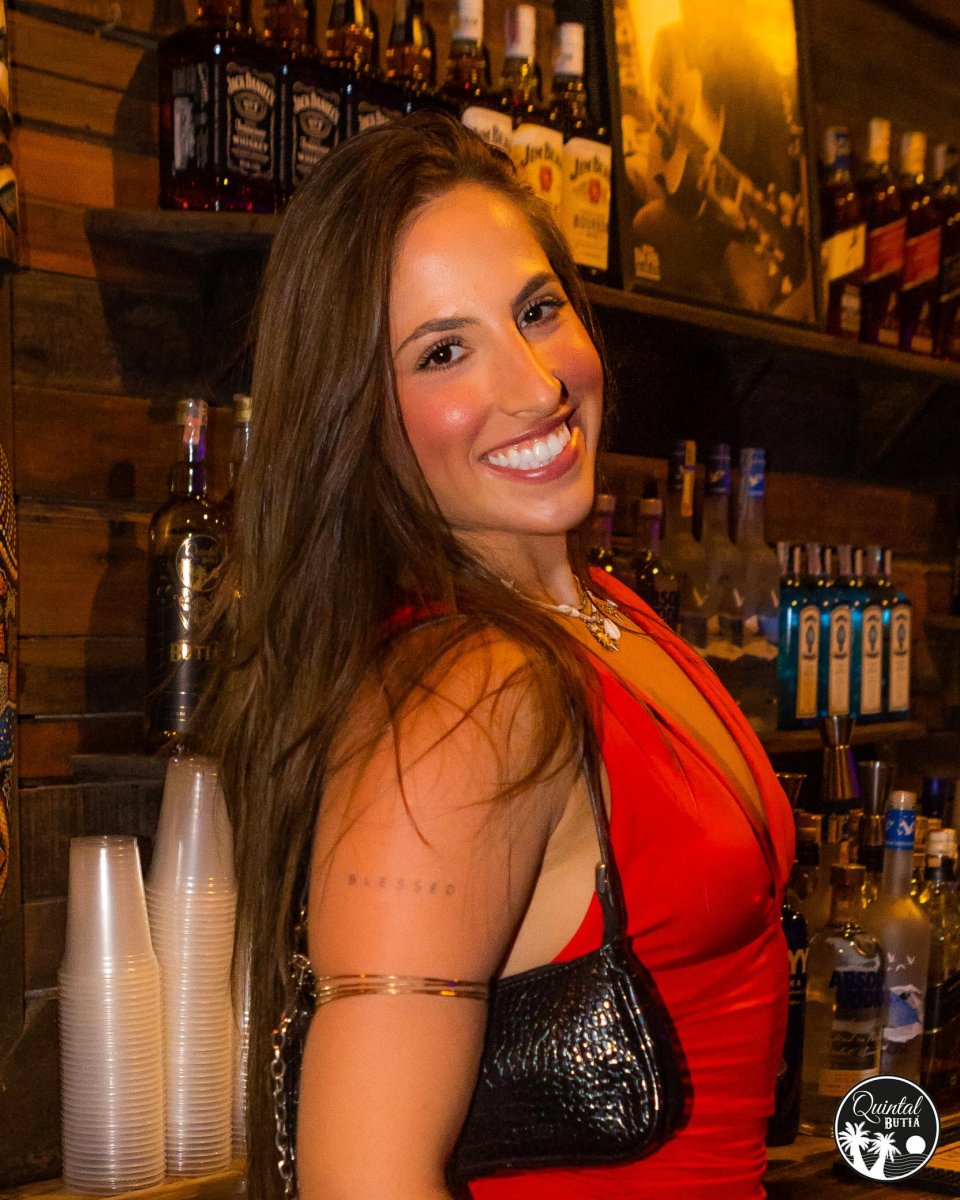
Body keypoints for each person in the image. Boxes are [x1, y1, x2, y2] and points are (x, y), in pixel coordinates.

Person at [209, 111, 794, 1200]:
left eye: (537, 310)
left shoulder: (608, 615)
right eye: (443, 352)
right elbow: (362, 1180)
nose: (535, 386)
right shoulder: (468, 697)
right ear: (358, 415)